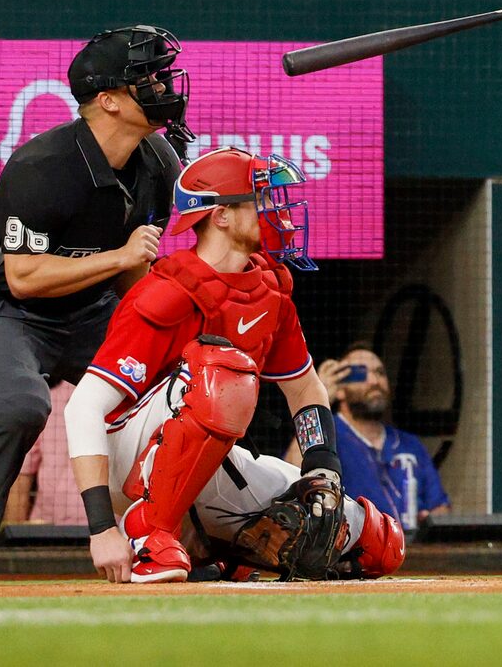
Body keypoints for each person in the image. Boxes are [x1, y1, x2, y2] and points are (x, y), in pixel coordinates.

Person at [0, 27, 188, 585]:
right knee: (20, 401)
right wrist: (117, 258)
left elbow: (137, 268)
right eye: (149, 77)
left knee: (186, 385)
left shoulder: (158, 157)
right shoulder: (44, 164)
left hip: (90, 312)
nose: (164, 85)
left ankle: (189, 535)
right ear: (109, 99)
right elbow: (24, 277)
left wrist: (165, 333)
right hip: (6, 311)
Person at [58, 145, 404, 586]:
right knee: (220, 368)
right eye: (260, 200)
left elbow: (305, 390)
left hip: (207, 459)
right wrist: (101, 527)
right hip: (125, 460)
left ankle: (228, 555)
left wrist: (322, 468)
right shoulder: (166, 292)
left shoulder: (269, 291)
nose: (276, 212)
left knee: (375, 542)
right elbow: (82, 408)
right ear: (219, 215)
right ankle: (149, 535)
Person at [322, 345, 451, 532]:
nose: (374, 381)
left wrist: (430, 522)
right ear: (339, 389)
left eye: (380, 373)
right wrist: (318, 401)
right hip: (350, 554)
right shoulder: (326, 432)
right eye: (360, 374)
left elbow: (441, 507)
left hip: (413, 553)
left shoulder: (410, 445)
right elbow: (294, 479)